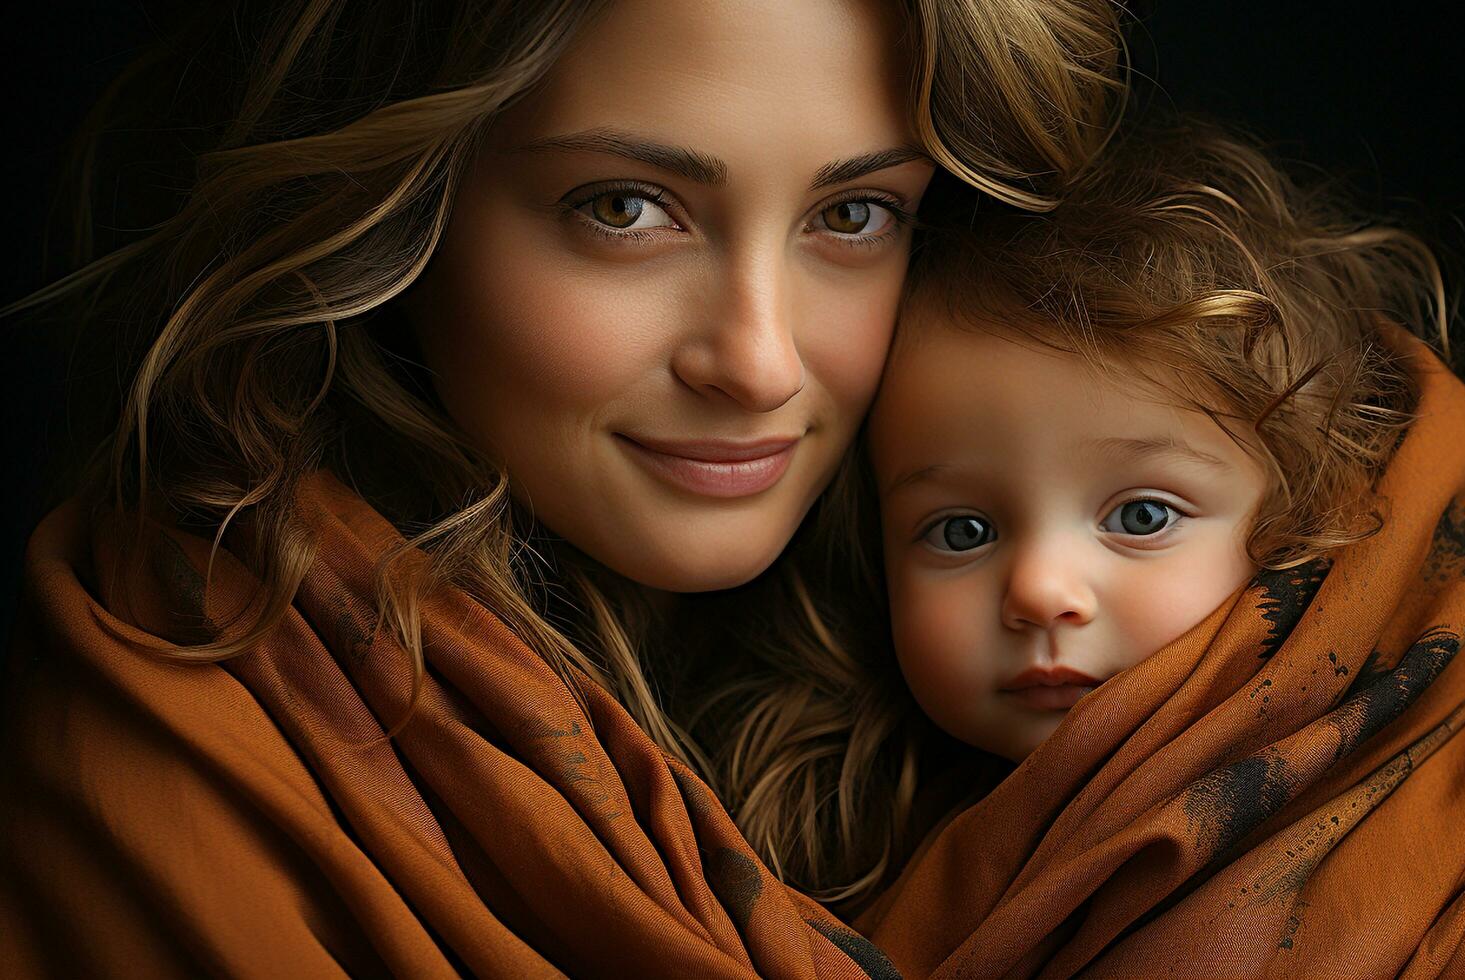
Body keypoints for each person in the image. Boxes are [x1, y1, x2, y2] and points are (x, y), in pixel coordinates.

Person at [0, 0, 1127, 975]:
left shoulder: (1123, 634)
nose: (760, 361)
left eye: (851, 214)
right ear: (406, 205)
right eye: (623, 208)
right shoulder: (175, 741)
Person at [704, 119, 1465, 975]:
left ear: (1307, 529)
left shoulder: (1454, 823)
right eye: (960, 530)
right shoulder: (832, 844)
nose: (1041, 589)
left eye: (1139, 516)